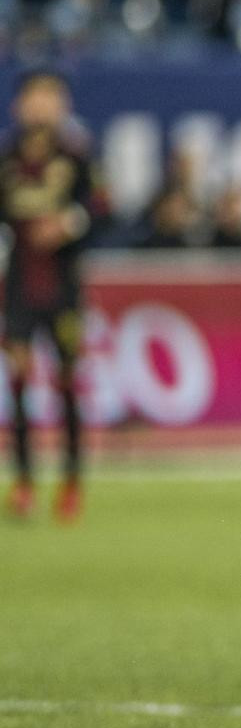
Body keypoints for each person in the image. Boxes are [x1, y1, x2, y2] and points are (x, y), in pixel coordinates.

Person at [1, 72, 101, 522]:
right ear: (19, 105)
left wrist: (69, 223)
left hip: (63, 286)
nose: (42, 107)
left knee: (66, 383)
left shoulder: (77, 157)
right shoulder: (6, 158)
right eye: (35, 97)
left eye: (50, 97)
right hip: (19, 285)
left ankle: (71, 481)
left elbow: (101, 208)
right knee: (19, 380)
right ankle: (23, 481)